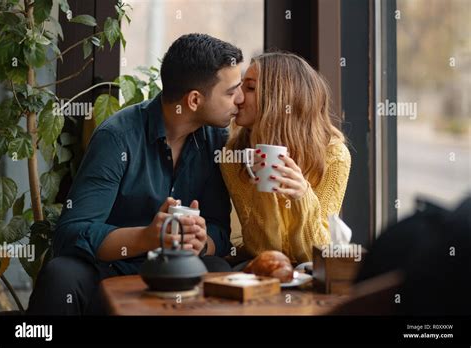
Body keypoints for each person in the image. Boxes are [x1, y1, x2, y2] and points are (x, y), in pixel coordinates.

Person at [27, 33, 244, 315]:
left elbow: (219, 228)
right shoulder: (117, 137)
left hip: (178, 267)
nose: (238, 100)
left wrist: (203, 241)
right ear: (194, 100)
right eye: (230, 92)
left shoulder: (216, 141)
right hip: (110, 267)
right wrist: (148, 237)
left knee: (216, 267)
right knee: (61, 275)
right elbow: (72, 233)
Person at [221, 52, 351, 266]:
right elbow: (264, 251)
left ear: (279, 98)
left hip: (309, 271)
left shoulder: (334, 156)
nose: (239, 97)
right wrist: (264, 192)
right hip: (261, 269)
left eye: (250, 88)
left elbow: (317, 255)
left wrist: (303, 196)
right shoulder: (233, 155)